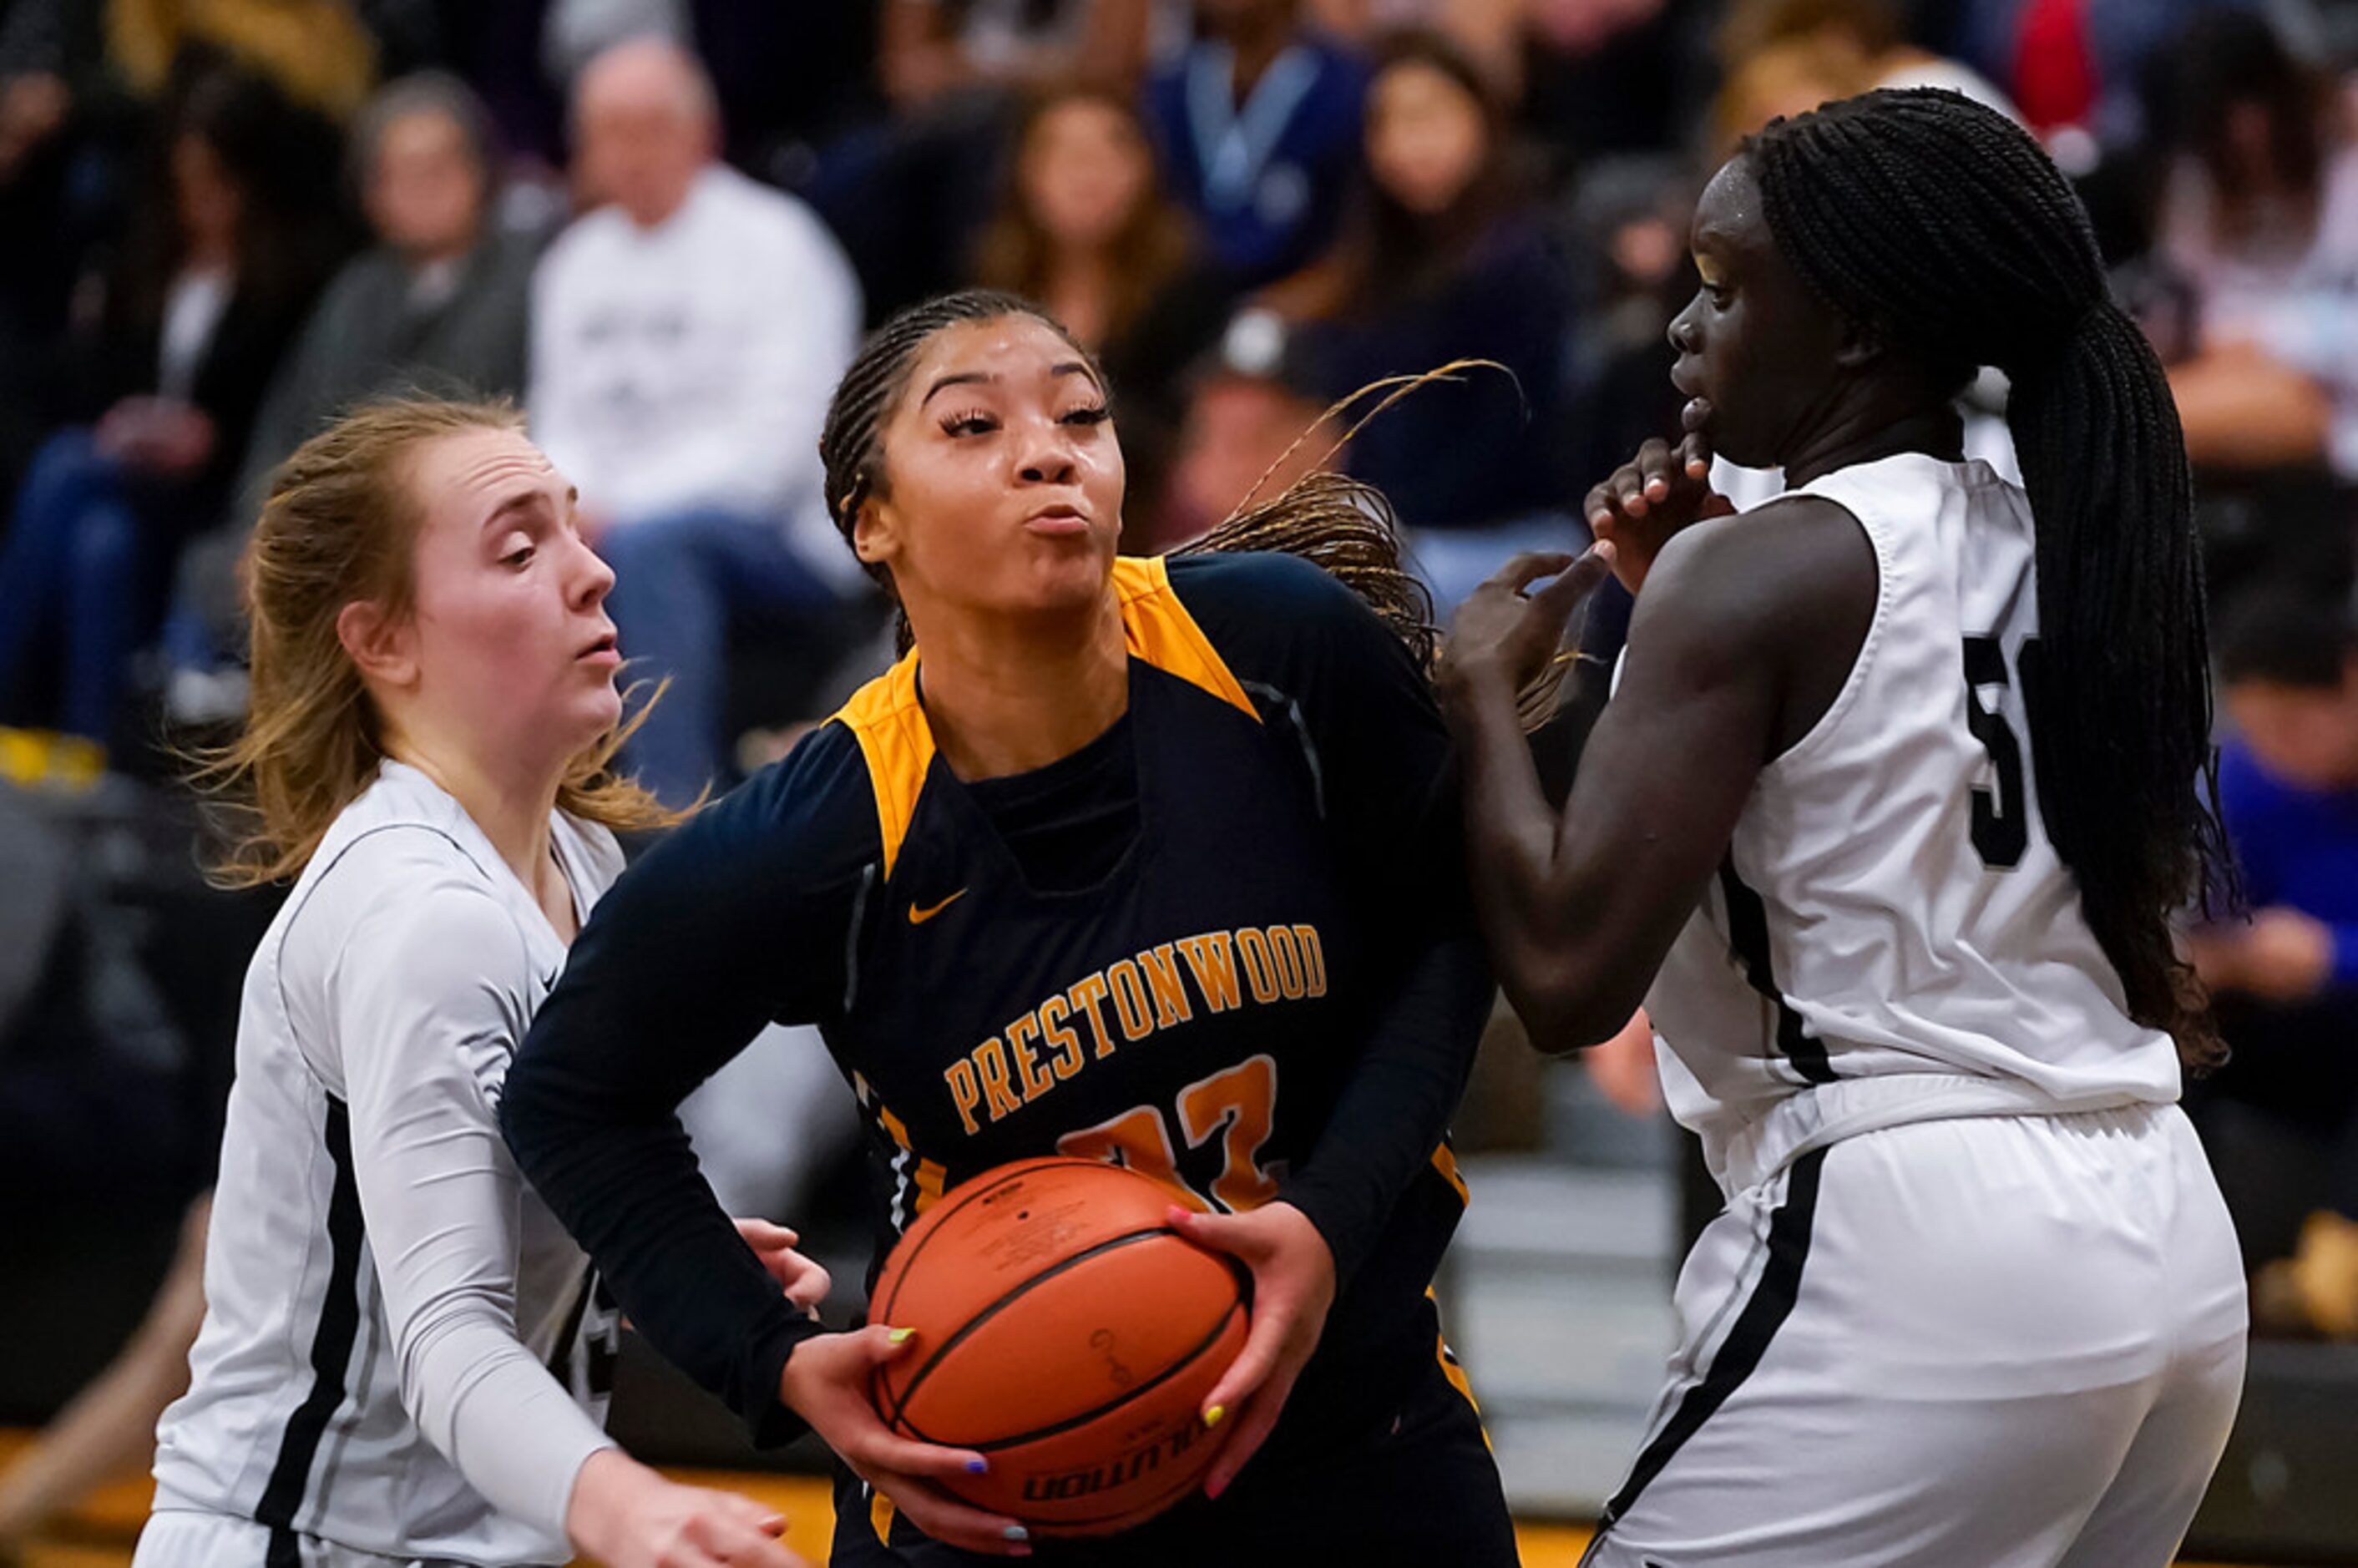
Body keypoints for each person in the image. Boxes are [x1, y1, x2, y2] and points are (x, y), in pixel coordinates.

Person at [500, 289, 1518, 1566]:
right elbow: (567, 1093)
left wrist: (1326, 1220)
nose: (1050, 450)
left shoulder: (1277, 646)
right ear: (873, 523)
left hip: (1349, 1432)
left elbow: (1443, 924)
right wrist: (765, 1359)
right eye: (973, 425)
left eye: (1081, 414)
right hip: (998, 1488)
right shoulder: (824, 830)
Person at [1440, 89, 2246, 1565]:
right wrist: (1683, 596)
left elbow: (1563, 977)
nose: (1679, 327)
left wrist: (1479, 693)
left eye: (1723, 287)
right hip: (2157, 1222)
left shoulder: (1758, 574)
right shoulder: (2054, 529)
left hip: (1917, 1232)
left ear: (1858, 326)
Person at [133, 397, 822, 1568]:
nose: (595, 572)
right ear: (383, 641)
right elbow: (442, 1333)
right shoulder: (424, 915)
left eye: (573, 527)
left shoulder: (580, 860)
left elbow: (487, 1228)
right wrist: (633, 1507)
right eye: (520, 547)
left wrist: (639, 1254)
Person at [529, 37, 865, 806]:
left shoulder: (778, 244)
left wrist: (622, 512)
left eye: (648, 125)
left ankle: (669, 816)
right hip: (610, 523)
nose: (629, 151)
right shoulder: (573, 262)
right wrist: (572, 510)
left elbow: (782, 447)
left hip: (782, 543)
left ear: (699, 130)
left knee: (654, 549)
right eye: (608, 131)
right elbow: (556, 422)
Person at [0, 63, 341, 745]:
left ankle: (7, 696)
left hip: (216, 499)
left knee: (68, 467)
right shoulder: (147, 263)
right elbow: (94, 382)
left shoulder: (295, 282)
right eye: (189, 184)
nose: (202, 202)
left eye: (218, 184)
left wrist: (210, 440)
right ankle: (87, 756)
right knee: (103, 544)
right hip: (128, 490)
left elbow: (285, 415)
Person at [1279, 28, 1576, 609]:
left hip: (1511, 537)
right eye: (1386, 123)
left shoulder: (1526, 263)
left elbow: (1512, 439)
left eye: (1428, 116)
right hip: (1401, 529)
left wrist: (1380, 526)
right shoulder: (1372, 269)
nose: (1407, 143)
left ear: (1483, 119)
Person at [2183, 589, 2358, 1337]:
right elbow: (2191, 931)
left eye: (2292, 726)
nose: (2278, 752)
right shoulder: (2244, 789)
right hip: (2273, 1044)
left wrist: (2333, 957)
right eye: (2261, 733)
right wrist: (2212, 965)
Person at [1142, 0, 1369, 286]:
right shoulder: (1167, 90)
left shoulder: (1349, 87)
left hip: (1310, 305)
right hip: (1184, 300)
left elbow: (1362, 238)